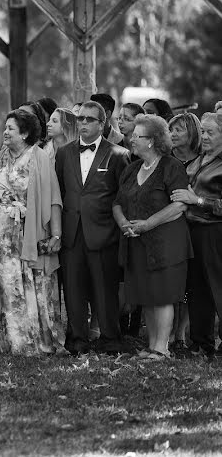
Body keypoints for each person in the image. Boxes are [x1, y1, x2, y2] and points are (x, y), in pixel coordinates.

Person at [0, 109, 65, 355]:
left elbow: (53, 198)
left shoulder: (38, 157)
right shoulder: (0, 157)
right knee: (6, 282)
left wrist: (55, 235)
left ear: (25, 133)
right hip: (0, 232)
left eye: (11, 128)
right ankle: (9, 341)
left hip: (28, 231)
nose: (5, 132)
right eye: (5, 127)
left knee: (32, 282)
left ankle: (33, 341)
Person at [55, 100, 130, 355]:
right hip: (72, 232)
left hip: (103, 233)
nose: (83, 123)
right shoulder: (64, 153)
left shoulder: (118, 154)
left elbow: (123, 196)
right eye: (81, 119)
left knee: (105, 290)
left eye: (89, 119)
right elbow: (61, 191)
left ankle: (111, 340)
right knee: (73, 290)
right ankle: (78, 340)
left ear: (102, 123)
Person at [114, 115, 191, 360]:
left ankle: (162, 348)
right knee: (146, 295)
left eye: (137, 136)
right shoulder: (131, 168)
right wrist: (124, 223)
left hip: (167, 243)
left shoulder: (171, 166)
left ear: (152, 141)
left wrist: (148, 224)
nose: (132, 139)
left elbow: (180, 205)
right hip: (136, 242)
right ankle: (151, 346)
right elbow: (117, 203)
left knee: (163, 295)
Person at [170, 112, 222, 361]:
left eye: (211, 132)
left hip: (214, 232)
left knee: (217, 288)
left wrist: (197, 200)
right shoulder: (200, 158)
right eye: (203, 131)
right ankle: (201, 343)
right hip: (193, 231)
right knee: (197, 288)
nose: (205, 136)